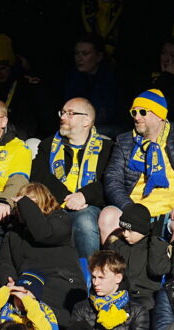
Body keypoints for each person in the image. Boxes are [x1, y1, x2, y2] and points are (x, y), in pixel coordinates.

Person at [100, 89, 174, 243]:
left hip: (172, 211)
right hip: (133, 209)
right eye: (133, 113)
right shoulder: (125, 141)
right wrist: (128, 207)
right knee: (108, 215)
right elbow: (112, 178)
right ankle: (110, 266)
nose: (137, 117)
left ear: (159, 115)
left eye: (142, 112)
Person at [0, 183, 88, 325]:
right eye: (23, 202)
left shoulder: (60, 219)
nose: (25, 206)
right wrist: (10, 283)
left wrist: (25, 203)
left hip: (60, 285)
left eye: (32, 202)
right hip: (26, 287)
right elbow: (4, 262)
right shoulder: (14, 231)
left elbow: (43, 233)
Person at [30, 98, 112, 258]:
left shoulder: (107, 148)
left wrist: (84, 195)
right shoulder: (48, 145)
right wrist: (67, 198)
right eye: (62, 112)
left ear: (86, 120)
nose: (62, 117)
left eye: (70, 113)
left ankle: (88, 277)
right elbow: (39, 175)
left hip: (88, 207)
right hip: (54, 204)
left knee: (85, 221)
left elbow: (109, 180)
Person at [70, 250, 150, 330]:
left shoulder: (137, 310)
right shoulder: (81, 309)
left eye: (101, 277)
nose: (95, 283)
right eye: (94, 277)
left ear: (118, 277)